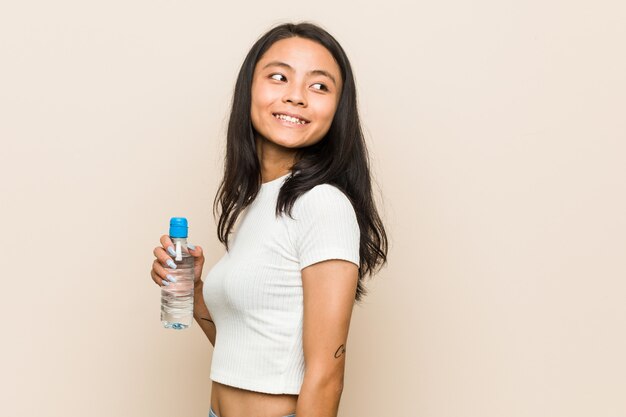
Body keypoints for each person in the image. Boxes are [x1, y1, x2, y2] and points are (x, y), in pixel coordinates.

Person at [150, 22, 388, 417]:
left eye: (319, 86)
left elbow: (326, 374)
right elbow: (246, 351)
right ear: (249, 91)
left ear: (337, 110)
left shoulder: (322, 204)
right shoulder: (257, 202)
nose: (295, 96)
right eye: (279, 77)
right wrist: (194, 294)